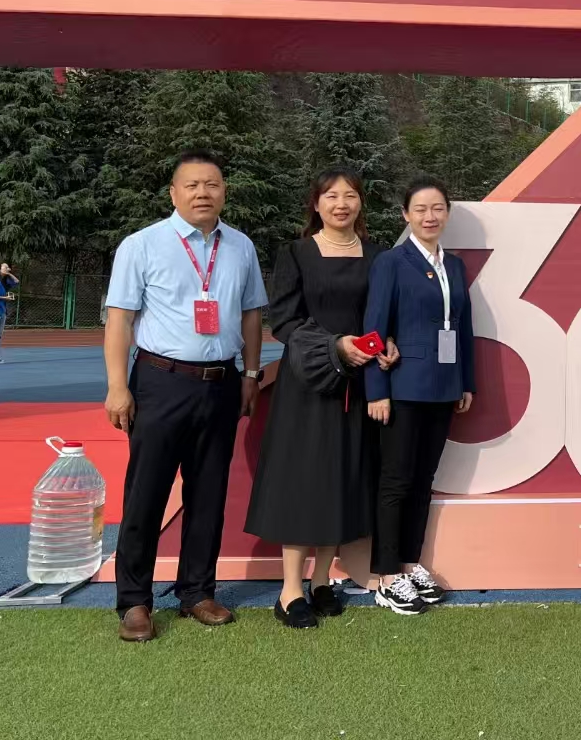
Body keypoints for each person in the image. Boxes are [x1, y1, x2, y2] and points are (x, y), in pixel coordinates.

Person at [103, 150, 268, 643]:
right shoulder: (142, 244)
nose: (202, 193)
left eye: (212, 184)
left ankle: (197, 591)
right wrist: (117, 386)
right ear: (173, 193)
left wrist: (251, 374)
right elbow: (120, 320)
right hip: (160, 382)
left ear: (224, 192)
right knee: (146, 493)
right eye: (192, 185)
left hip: (221, 383)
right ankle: (135, 601)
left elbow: (252, 315)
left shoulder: (240, 247)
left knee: (209, 493)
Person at [245, 168, 398, 628]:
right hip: (308, 383)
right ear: (316, 204)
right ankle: (290, 590)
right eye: (331, 196)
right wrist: (335, 346)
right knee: (304, 479)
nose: (341, 204)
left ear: (361, 203)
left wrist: (386, 343)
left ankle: (322, 581)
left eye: (350, 195)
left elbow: (383, 315)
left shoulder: (379, 256)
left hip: (359, 382)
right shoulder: (296, 253)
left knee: (343, 477)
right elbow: (285, 322)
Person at [363, 176, 475, 616]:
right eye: (421, 209)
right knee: (396, 480)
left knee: (423, 480)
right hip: (402, 387)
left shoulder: (455, 266)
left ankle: (410, 563)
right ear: (405, 215)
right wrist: (376, 389)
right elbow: (374, 328)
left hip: (443, 388)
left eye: (438, 208)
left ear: (448, 213)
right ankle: (387, 575)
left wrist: (466, 381)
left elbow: (464, 327)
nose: (430, 217)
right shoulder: (392, 262)